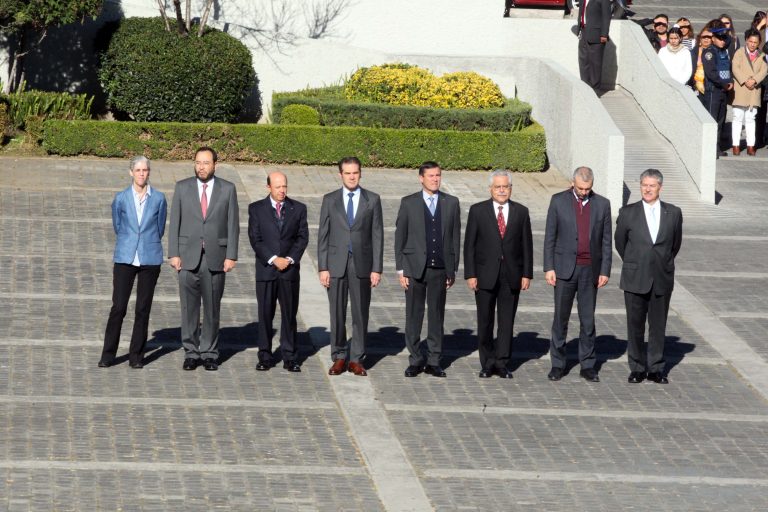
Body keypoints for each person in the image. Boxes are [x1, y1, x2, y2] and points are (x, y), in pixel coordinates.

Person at [168, 147, 239, 371]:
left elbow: (233, 224)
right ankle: (190, 352)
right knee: (188, 309)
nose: (201, 167)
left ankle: (209, 352)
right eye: (198, 162)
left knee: (212, 309)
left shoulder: (228, 189)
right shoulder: (182, 187)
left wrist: (231, 255)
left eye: (206, 163)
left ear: (215, 165)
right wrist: (173, 253)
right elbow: (174, 222)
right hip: (187, 258)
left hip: (215, 258)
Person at [543, 167, 611, 383]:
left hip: (590, 270)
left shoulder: (602, 204)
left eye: (588, 189)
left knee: (588, 320)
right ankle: (558, 364)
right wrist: (549, 267)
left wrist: (605, 270)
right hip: (564, 269)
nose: (584, 192)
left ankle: (588, 365)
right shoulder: (558, 201)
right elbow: (550, 237)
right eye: (580, 188)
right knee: (560, 319)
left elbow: (606, 241)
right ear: (573, 183)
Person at [615, 169, 683, 384]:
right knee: (635, 325)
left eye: (652, 185)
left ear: (660, 187)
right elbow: (620, 243)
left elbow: (675, 245)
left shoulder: (673, 213)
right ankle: (636, 367)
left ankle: (656, 368)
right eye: (644, 185)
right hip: (635, 276)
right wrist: (636, 262)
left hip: (661, 277)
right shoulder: (627, 212)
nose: (647, 189)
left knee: (658, 325)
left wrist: (659, 262)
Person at [394, 161, 461, 378]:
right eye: (431, 176)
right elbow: (400, 237)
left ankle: (434, 360)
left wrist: (452, 269)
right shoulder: (408, 203)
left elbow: (454, 238)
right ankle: (415, 359)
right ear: (421, 178)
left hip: (439, 269)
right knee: (413, 316)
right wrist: (401, 269)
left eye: (438, 175)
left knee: (436, 316)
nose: (435, 179)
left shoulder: (451, 203)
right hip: (414, 269)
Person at [318, 156, 383, 377]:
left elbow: (377, 235)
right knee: (336, 312)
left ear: (360, 173)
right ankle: (339, 355)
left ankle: (357, 358)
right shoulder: (330, 200)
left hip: (362, 264)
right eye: (348, 173)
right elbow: (323, 235)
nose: (352, 177)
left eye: (355, 172)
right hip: (336, 264)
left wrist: (376, 268)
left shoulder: (372, 199)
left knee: (360, 313)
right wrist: (323, 267)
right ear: (340, 175)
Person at [464, 170, 533, 379]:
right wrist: (470, 274)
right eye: (498, 187)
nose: (502, 190)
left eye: (505, 187)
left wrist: (527, 274)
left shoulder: (521, 212)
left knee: (506, 322)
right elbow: (469, 245)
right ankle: (487, 362)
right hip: (485, 274)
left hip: (511, 274)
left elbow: (527, 245)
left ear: (511, 188)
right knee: (485, 320)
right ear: (490, 189)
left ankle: (502, 362)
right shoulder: (478, 211)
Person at [99, 156, 167, 369]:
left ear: (149, 172)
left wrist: (147, 242)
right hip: (125, 257)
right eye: (138, 170)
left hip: (149, 257)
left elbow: (160, 227)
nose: (141, 174)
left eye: (145, 170)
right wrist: (130, 241)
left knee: (142, 308)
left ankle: (136, 356)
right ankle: (108, 354)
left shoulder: (159, 198)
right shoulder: (121, 198)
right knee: (118, 307)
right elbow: (118, 226)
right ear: (131, 172)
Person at [248, 171, 309, 372]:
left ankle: (290, 357)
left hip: (289, 271)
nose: (282, 190)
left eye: (284, 186)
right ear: (268, 187)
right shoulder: (256, 209)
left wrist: (289, 259)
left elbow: (302, 237)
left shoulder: (298, 208)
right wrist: (274, 259)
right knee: (265, 314)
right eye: (277, 187)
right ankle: (265, 355)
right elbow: (255, 239)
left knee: (289, 315)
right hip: (266, 270)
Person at [731, 28, 767, 156]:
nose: (752, 44)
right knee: (737, 117)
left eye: (755, 42)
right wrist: (746, 80)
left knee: (751, 118)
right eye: (750, 41)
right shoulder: (739, 52)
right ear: (746, 40)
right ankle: (735, 145)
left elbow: (764, 71)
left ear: (759, 43)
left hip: (754, 90)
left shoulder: (762, 55)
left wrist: (755, 80)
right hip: (741, 88)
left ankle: (751, 145)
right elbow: (735, 68)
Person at [702, 21, 734, 157]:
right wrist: (724, 84)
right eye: (720, 38)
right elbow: (711, 73)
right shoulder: (709, 52)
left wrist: (730, 81)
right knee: (712, 120)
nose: (723, 41)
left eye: (724, 38)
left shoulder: (724, 52)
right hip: (713, 91)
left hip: (723, 91)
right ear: (713, 38)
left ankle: (716, 147)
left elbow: (728, 69)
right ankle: (709, 149)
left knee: (721, 120)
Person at [577, 0, 612, 92]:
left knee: (595, 64)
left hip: (597, 35)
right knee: (583, 62)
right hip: (583, 32)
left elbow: (606, 16)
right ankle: (585, 88)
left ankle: (595, 90)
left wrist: (604, 34)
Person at [690, 24, 715, 100]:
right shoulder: (693, 52)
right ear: (700, 38)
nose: (706, 39)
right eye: (704, 37)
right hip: (695, 86)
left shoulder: (715, 52)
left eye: (709, 37)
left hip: (710, 87)